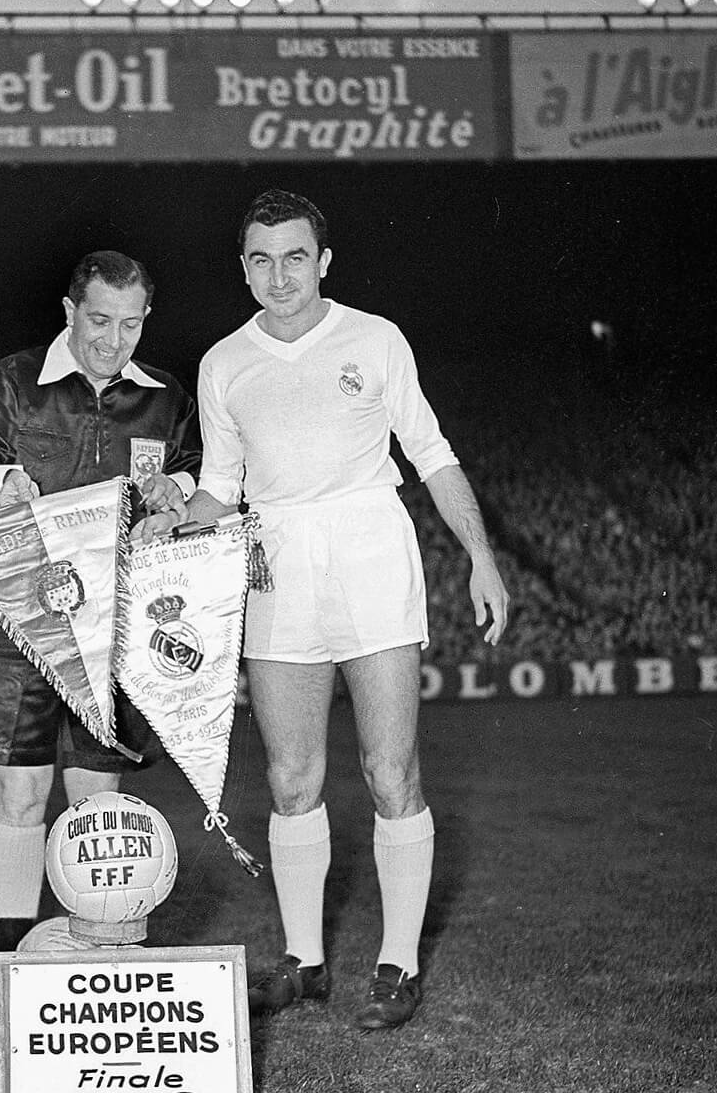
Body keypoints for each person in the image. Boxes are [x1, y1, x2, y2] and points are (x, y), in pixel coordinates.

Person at [139, 189, 509, 1030]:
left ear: (324, 262)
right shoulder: (225, 361)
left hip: (371, 554)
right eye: (261, 260)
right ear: (243, 268)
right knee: (291, 777)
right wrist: (167, 517)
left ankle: (398, 963)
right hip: (276, 566)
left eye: (295, 256)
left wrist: (481, 556)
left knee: (390, 772)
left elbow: (431, 453)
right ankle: (303, 961)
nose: (279, 275)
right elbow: (222, 490)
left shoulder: (375, 339)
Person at [0, 250, 201, 1019]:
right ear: (68, 311)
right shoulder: (13, 382)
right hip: (18, 628)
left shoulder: (164, 398)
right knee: (19, 798)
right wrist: (3, 483)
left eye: (130, 324)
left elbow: (197, 467)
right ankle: (10, 968)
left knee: (98, 807)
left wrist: (177, 488)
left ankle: (102, 961)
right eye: (98, 321)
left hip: (115, 633)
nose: (112, 341)